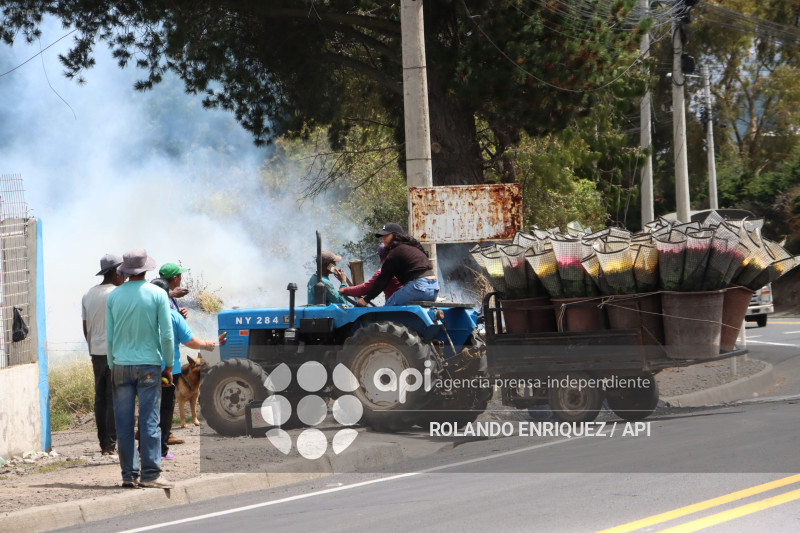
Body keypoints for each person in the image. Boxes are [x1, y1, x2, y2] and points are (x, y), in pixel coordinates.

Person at [106, 248, 175, 489]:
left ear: (125, 271)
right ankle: (151, 474)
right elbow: (166, 334)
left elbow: (110, 336)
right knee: (149, 421)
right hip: (149, 366)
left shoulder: (113, 297)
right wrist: (169, 364)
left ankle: (128, 474)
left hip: (121, 365)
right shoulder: (157, 295)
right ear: (146, 269)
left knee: (123, 422)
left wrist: (111, 365)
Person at [149, 278, 215, 460]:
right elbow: (190, 341)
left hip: (143, 366)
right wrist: (207, 344)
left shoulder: (142, 313)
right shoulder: (173, 315)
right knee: (165, 408)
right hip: (168, 369)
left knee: (149, 407)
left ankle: (144, 449)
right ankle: (161, 451)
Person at [81, 253, 125, 455]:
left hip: (96, 353)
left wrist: (93, 346)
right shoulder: (117, 294)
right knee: (113, 398)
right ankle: (111, 444)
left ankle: (104, 444)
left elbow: (86, 327)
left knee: (100, 398)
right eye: (122, 272)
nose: (124, 276)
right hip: (114, 353)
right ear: (114, 272)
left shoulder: (88, 294)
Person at [356, 223, 439, 307]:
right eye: (382, 236)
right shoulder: (412, 248)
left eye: (386, 235)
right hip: (434, 288)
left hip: (418, 287)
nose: (383, 239)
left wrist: (366, 299)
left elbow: (383, 279)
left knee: (388, 309)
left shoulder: (394, 253)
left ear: (395, 235)